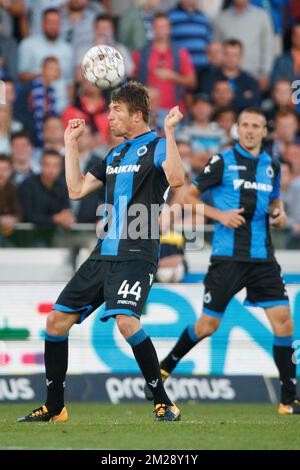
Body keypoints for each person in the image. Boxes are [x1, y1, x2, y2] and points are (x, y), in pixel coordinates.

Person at [17, 81, 185, 424]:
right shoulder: (114, 154)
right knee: (56, 321)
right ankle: (54, 407)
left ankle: (163, 401)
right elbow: (76, 190)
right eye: (110, 109)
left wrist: (169, 132)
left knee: (127, 322)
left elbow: (177, 179)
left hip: (137, 252)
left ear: (137, 115)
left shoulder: (156, 146)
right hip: (103, 253)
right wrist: (70, 145)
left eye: (116, 110)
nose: (108, 117)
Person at [144, 107, 300, 415]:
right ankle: (166, 365)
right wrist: (220, 216)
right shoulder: (222, 161)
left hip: (263, 260)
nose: (251, 130)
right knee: (208, 325)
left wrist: (279, 214)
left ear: (264, 131)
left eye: (256, 125)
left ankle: (288, 398)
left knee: (284, 323)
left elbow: (274, 204)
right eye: (245, 125)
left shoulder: (272, 165)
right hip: (228, 258)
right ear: (237, 129)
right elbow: (187, 197)